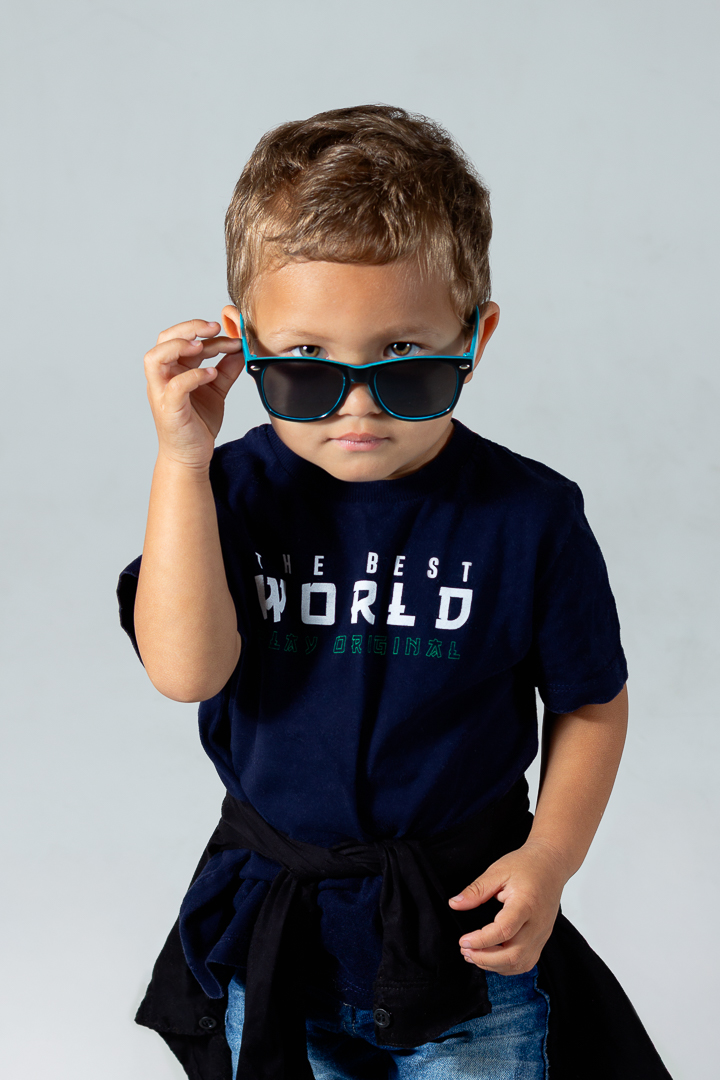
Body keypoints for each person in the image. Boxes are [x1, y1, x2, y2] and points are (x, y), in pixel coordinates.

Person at [118, 105, 671, 1080]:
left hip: (464, 941)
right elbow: (186, 671)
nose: (358, 406)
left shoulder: (529, 516)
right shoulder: (228, 493)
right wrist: (181, 462)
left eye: (405, 365)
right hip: (276, 934)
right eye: (306, 369)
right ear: (243, 347)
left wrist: (549, 859)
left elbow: (590, 701)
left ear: (474, 336)